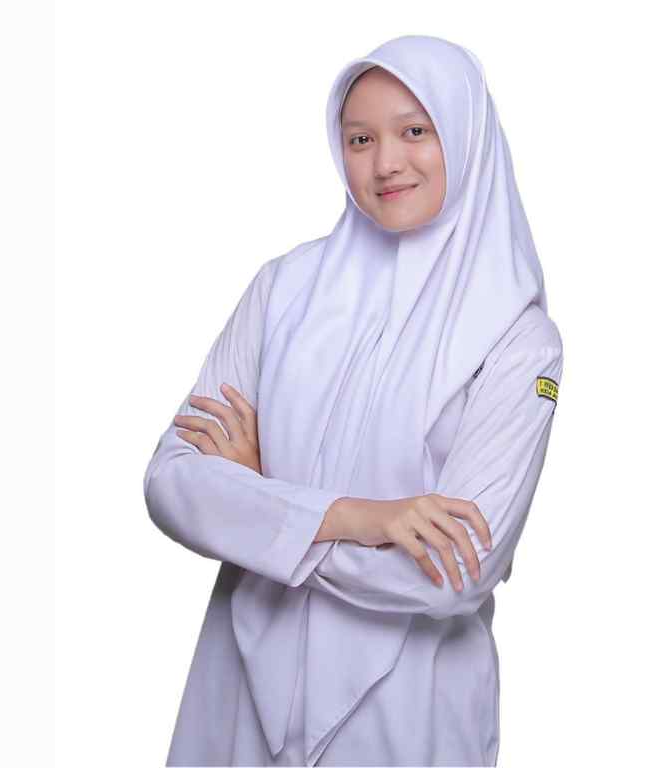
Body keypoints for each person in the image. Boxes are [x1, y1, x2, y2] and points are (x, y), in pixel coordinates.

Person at [144, 34, 563, 766]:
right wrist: (361, 518)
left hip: (406, 709)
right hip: (238, 684)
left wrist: (257, 507)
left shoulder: (518, 340)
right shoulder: (284, 290)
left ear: (465, 135)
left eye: (415, 131)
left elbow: (454, 575)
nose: (386, 162)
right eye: (360, 139)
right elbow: (171, 481)